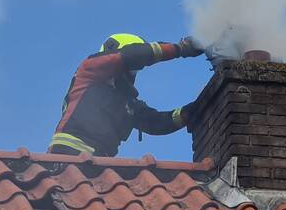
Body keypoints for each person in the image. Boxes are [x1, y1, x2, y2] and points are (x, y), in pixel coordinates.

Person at [48, 33, 204, 157]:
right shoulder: (90, 71)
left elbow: (155, 122)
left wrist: (193, 111)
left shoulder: (128, 104)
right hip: (67, 157)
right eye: (133, 67)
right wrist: (180, 48)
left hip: (99, 166)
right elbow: (131, 55)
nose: (131, 73)